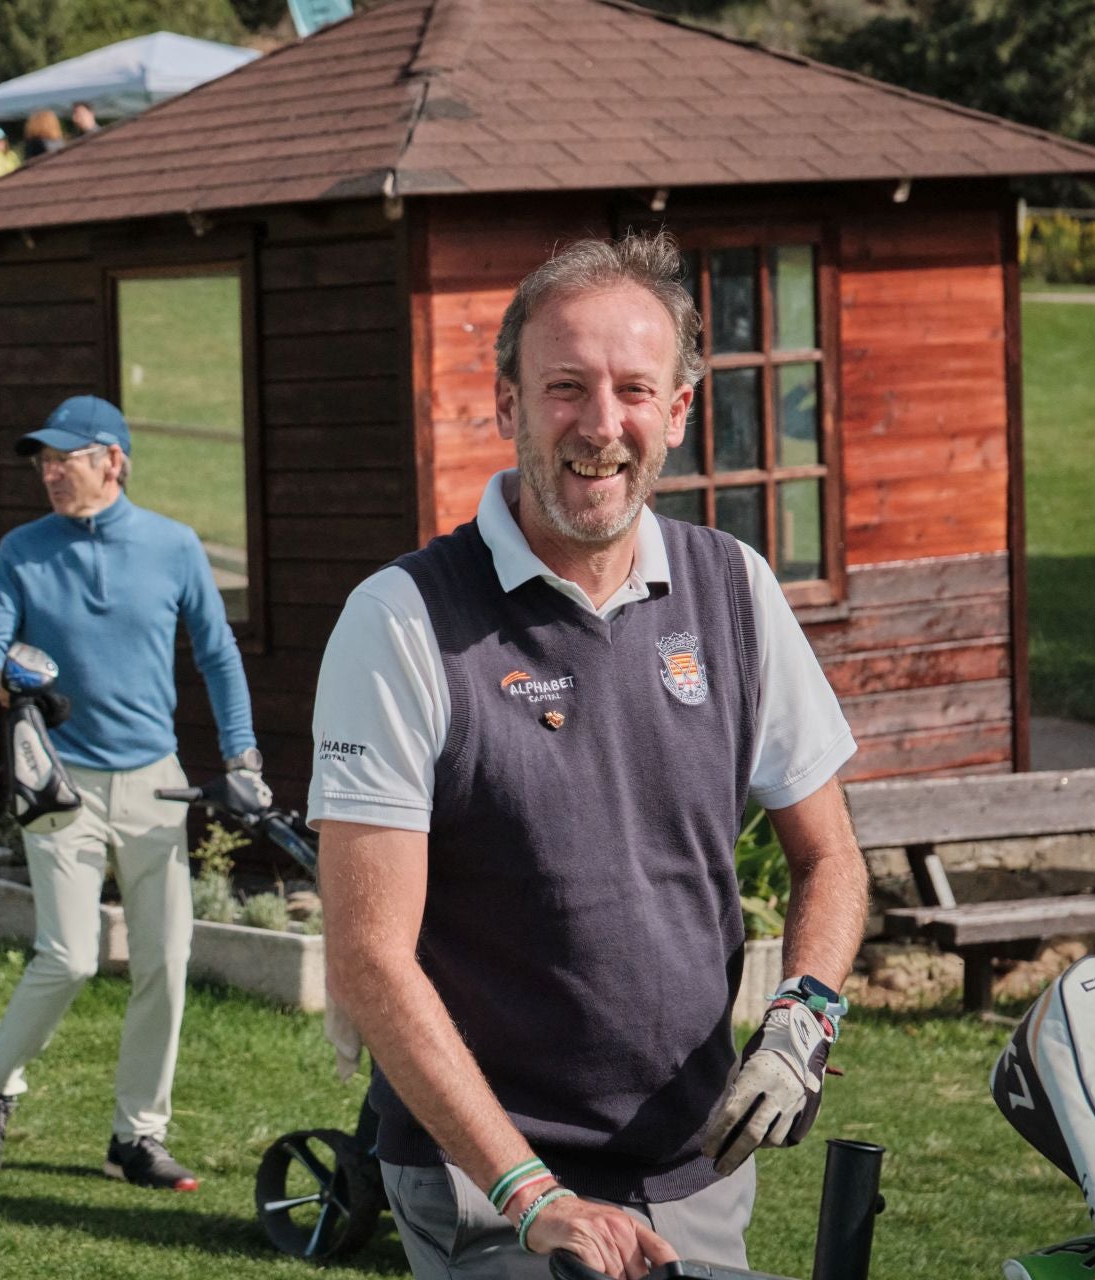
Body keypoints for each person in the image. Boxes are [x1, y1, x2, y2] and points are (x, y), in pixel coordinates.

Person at [310, 233, 868, 1280]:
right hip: (484, 1176)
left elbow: (829, 856)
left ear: (681, 411)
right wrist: (532, 1195)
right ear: (507, 399)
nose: (601, 425)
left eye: (633, 390)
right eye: (565, 386)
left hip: (689, 1164)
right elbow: (367, 955)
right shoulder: (401, 619)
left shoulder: (735, 588)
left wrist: (804, 1015)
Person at [0, 395, 266, 1191]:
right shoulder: (22, 551)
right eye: (43, 462)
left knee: (166, 958)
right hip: (57, 783)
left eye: (66, 459)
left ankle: (138, 1137)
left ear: (113, 460)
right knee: (69, 956)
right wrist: (0, 672)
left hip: (156, 785)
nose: (50, 473)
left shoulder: (173, 546)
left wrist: (242, 757)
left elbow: (220, 657)